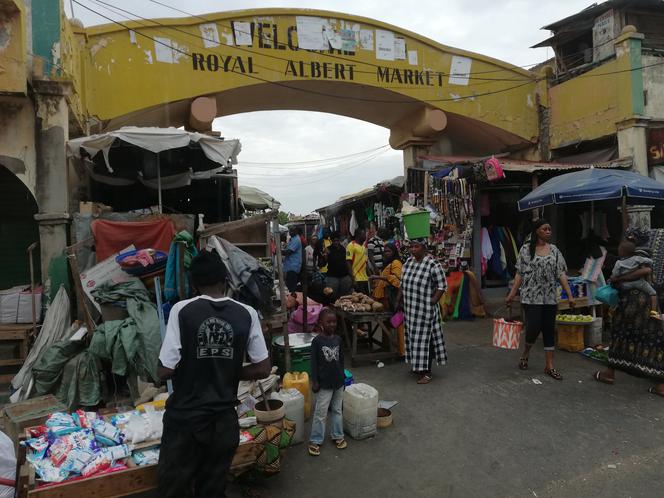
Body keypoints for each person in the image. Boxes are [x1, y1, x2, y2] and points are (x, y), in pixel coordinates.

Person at [157, 250, 271, 498]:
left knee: (173, 489)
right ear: (224, 280)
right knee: (212, 490)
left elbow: (165, 370)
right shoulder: (246, 313)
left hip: (185, 422)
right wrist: (228, 368)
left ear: (195, 283)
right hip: (223, 423)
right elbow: (262, 368)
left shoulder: (182, 310)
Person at [506, 219, 574, 381]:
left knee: (549, 330)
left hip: (550, 298)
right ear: (537, 231)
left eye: (550, 229)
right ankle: (526, 353)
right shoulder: (525, 250)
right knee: (534, 327)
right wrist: (511, 294)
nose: (549, 231)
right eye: (545, 229)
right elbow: (519, 274)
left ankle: (549, 365)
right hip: (531, 297)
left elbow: (561, 274)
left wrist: (569, 295)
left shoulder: (555, 251)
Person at [398, 238, 448, 384]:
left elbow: (442, 286)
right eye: (411, 247)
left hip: (425, 310)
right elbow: (402, 282)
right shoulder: (408, 263)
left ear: (423, 248)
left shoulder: (433, 264)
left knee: (427, 340)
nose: (413, 249)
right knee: (414, 339)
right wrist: (399, 299)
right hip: (411, 310)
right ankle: (418, 367)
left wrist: (433, 301)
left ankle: (427, 372)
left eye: (416, 246)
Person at [308, 308, 347, 456]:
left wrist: (343, 376)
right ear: (320, 323)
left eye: (334, 322)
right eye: (328, 322)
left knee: (337, 410)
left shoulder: (338, 339)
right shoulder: (317, 341)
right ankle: (315, 439)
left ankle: (337, 435)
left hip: (338, 382)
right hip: (323, 384)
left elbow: (341, 359)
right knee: (321, 412)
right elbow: (313, 363)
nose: (332, 324)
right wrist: (315, 381)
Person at [370, 243, 405, 356]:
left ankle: (401, 351)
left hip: (393, 298)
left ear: (394, 252)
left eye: (389, 251)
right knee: (387, 323)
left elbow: (396, 280)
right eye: (385, 251)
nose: (386, 253)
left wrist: (378, 277)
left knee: (398, 323)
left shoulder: (396, 263)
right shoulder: (388, 263)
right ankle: (386, 347)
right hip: (385, 299)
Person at [610, 240, 660, 319]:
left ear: (622, 252)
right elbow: (650, 261)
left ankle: (613, 307)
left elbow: (615, 274)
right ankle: (654, 311)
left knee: (617, 293)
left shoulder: (619, 263)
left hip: (625, 284)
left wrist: (618, 277)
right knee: (653, 293)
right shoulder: (637, 259)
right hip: (639, 282)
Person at [320, 232, 352, 297]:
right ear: (331, 241)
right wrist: (324, 257)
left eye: (337, 240)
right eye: (334, 241)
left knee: (345, 297)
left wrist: (350, 275)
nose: (336, 242)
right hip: (332, 278)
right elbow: (322, 264)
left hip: (344, 277)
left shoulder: (343, 249)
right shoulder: (328, 249)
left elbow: (346, 261)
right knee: (332, 296)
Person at [346, 229, 369, 294]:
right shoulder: (351, 245)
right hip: (357, 279)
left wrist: (370, 275)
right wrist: (353, 278)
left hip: (365, 278)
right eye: (364, 234)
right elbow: (348, 262)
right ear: (358, 235)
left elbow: (365, 262)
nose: (365, 236)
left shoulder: (364, 247)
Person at [283, 226, 303, 293]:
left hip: (293, 267)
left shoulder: (296, 239)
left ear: (296, 231)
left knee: (291, 288)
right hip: (290, 267)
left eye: (292, 231)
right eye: (290, 231)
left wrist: (278, 251)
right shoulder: (293, 239)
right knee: (289, 286)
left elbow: (289, 251)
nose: (290, 232)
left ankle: (292, 301)